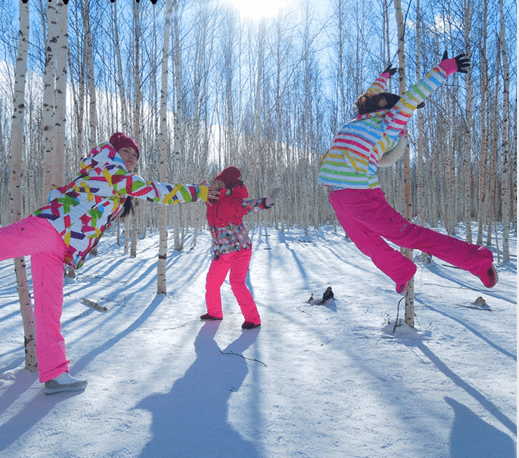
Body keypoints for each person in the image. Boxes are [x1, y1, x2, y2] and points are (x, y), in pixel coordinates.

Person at [0, 132, 220, 394]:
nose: (131, 159)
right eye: (127, 152)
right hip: (48, 228)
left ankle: (55, 372)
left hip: (59, 246)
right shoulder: (107, 167)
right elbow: (154, 190)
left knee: (49, 307)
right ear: (114, 151)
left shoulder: (117, 181)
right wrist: (198, 192)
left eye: (134, 156)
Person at [317, 52, 497, 295]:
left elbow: (413, 96)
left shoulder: (389, 123)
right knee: (366, 243)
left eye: (382, 99)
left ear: (389, 107)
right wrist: (384, 76)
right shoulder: (358, 118)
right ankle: (401, 271)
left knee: (407, 236)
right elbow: (369, 95)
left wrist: (445, 68)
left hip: (360, 196)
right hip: (337, 196)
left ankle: (478, 261)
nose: (375, 99)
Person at [200, 166, 279, 329]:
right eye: (215, 183)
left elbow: (248, 205)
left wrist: (265, 202)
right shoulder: (211, 202)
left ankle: (253, 319)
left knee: (236, 283)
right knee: (212, 282)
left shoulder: (231, 202)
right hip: (221, 253)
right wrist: (201, 188)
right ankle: (214, 313)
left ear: (227, 187)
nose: (215, 186)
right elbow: (203, 194)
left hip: (239, 251)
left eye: (219, 184)